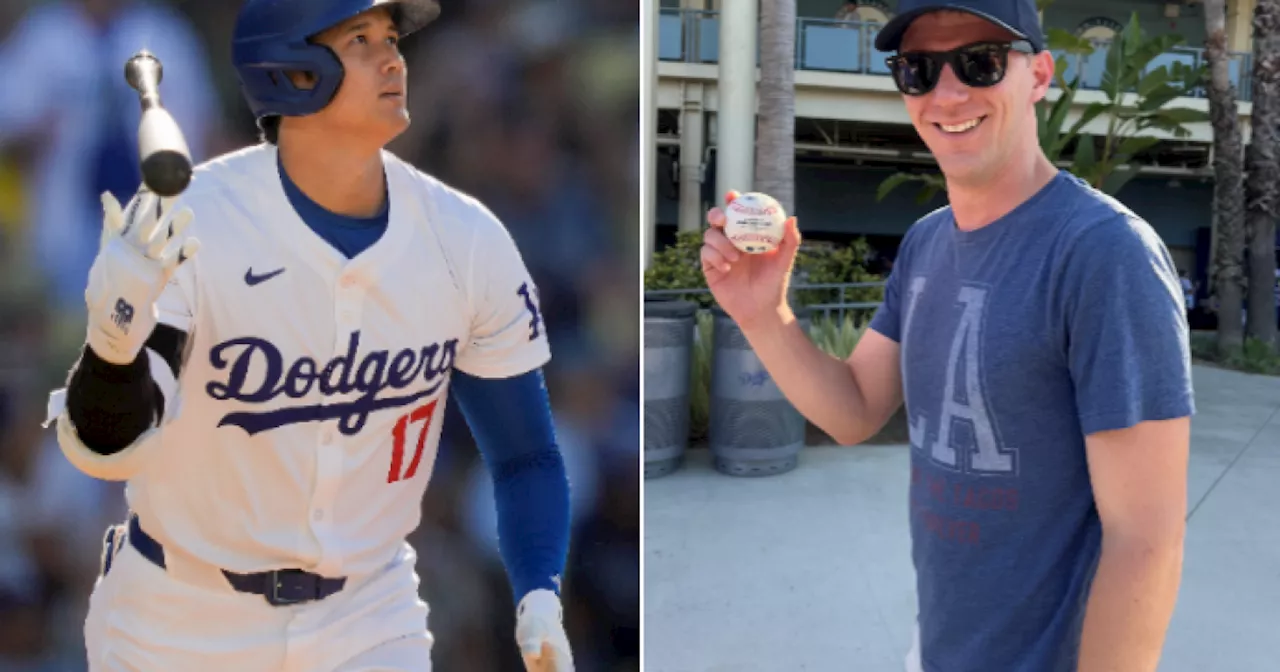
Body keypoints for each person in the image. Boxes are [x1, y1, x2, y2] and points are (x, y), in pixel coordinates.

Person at [41, 1, 574, 670]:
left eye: (391, 38)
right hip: (179, 618)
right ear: (292, 72)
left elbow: (526, 456)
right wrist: (112, 345)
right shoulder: (192, 221)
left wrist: (539, 593)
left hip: (368, 618)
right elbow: (107, 448)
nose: (393, 58)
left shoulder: (465, 239)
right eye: (359, 39)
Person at [699, 1, 1192, 671]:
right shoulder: (928, 241)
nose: (947, 93)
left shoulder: (1106, 254)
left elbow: (1146, 541)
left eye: (980, 63)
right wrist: (763, 314)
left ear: (1038, 75)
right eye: (918, 70)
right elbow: (853, 410)